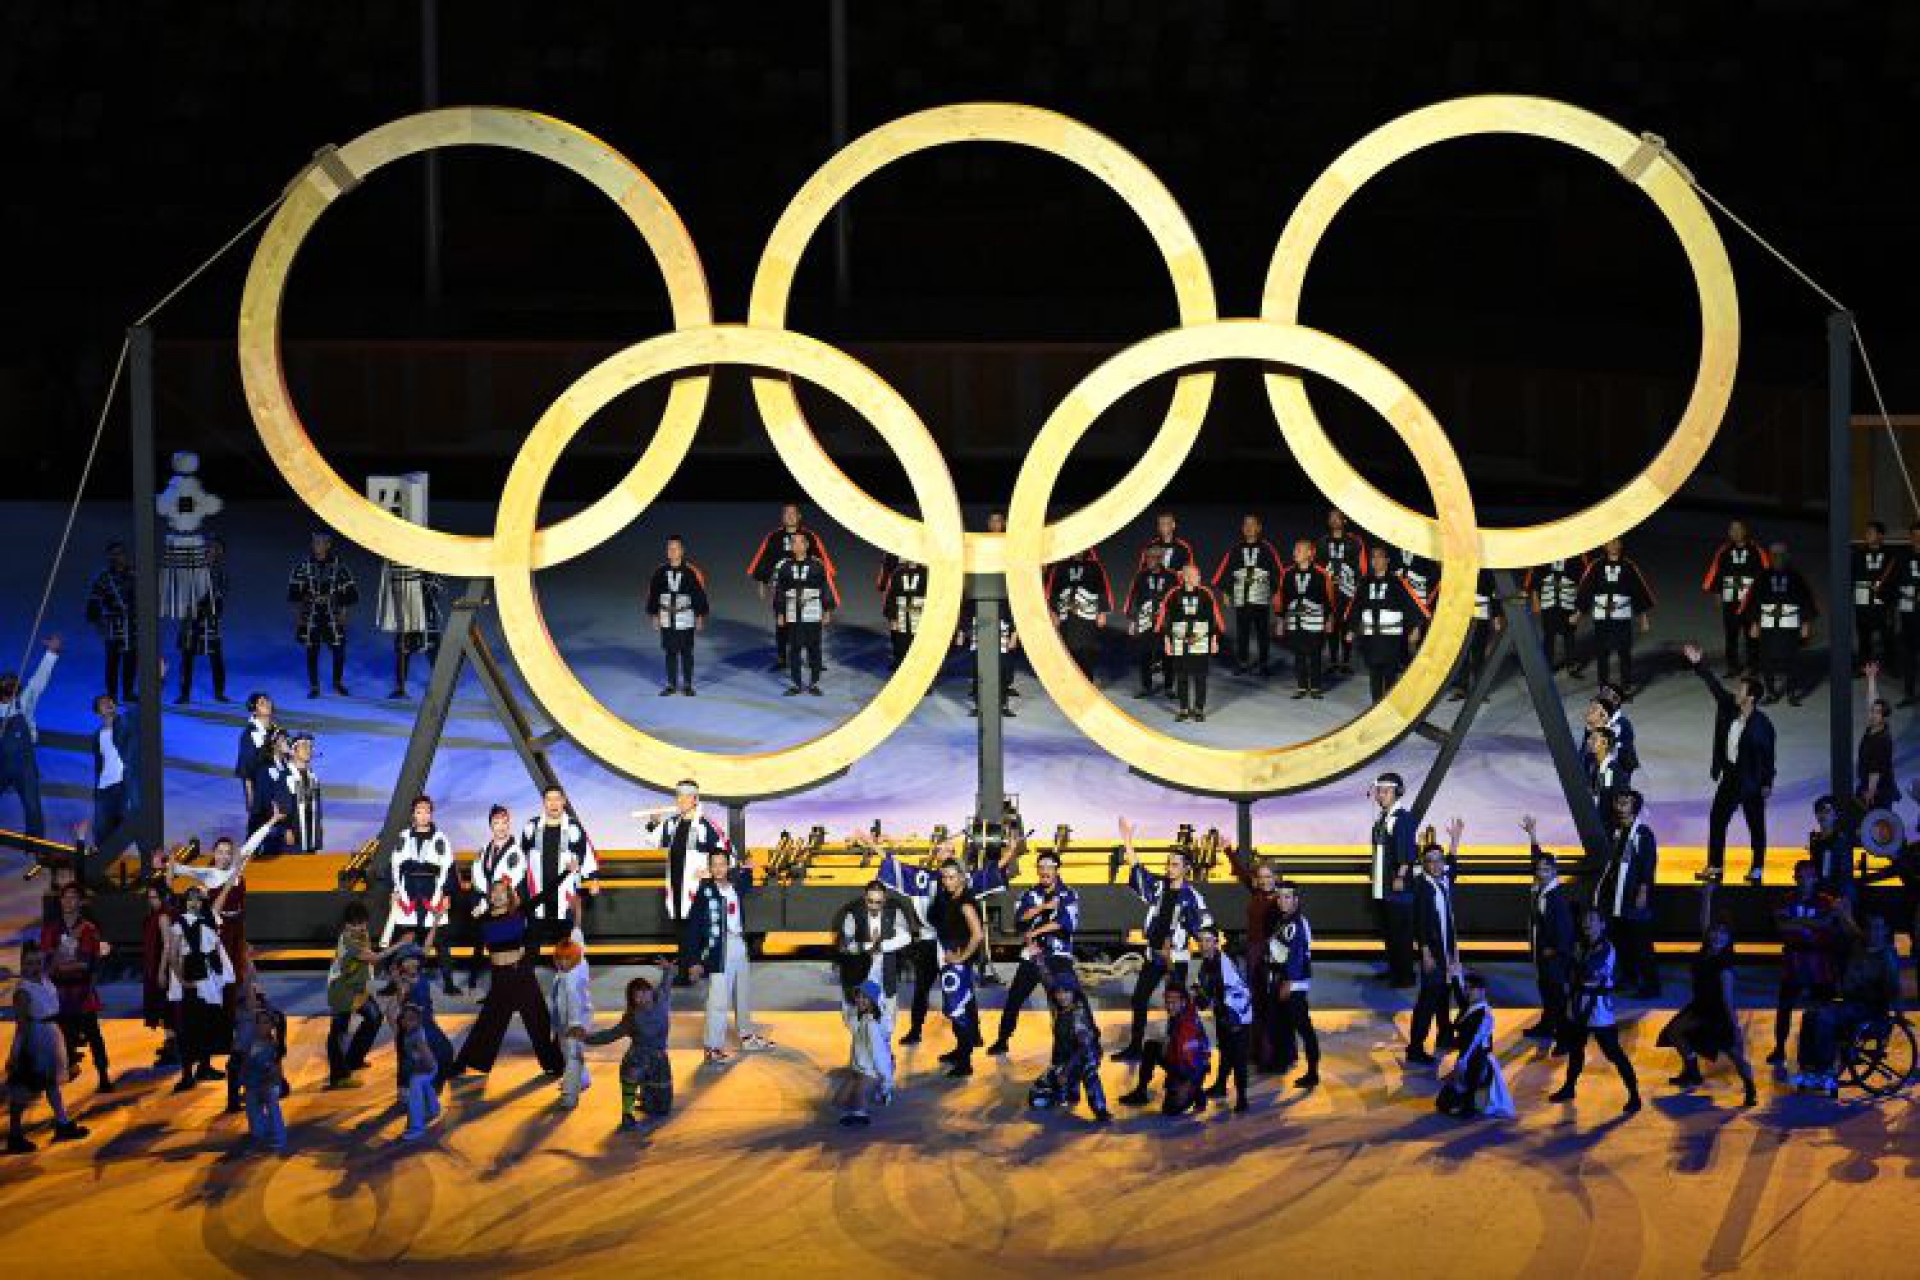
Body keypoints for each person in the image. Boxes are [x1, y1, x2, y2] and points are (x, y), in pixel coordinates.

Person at [1112, 817, 1214, 1060]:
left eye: (1176, 864)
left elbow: (1204, 928)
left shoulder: (1193, 897)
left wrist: (1209, 958)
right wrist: (1127, 842)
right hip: (1153, 956)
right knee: (1139, 999)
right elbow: (1139, 871)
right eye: (1169, 863)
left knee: (1176, 1005)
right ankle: (1135, 1046)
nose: (1170, 867)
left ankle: (1179, 1046)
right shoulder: (1159, 887)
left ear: (1186, 868)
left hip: (1175, 959)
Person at [1682, 642, 1775, 884]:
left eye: (1742, 690)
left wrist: (1767, 783)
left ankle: (1757, 868)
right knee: (1717, 819)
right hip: (1731, 775)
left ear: (1751, 697)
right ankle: (1715, 866)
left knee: (1756, 825)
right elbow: (1714, 686)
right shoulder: (1729, 708)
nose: (1737, 691)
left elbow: (1768, 757)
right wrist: (1698, 664)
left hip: (1752, 779)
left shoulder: (1762, 726)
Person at [452, 881, 566, 1078]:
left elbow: (545, 893)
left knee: (538, 1020)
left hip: (521, 975)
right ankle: (463, 1062)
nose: (497, 895)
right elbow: (477, 951)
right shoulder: (483, 919)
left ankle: (555, 1064)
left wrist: (567, 872)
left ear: (509, 895)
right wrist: (472, 981)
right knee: (487, 1021)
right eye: (493, 892)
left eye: (501, 892)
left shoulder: (519, 912)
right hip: (500, 977)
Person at [1656, 898, 1758, 1107]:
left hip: (1717, 1014)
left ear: (1729, 939)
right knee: (1674, 1032)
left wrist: (1735, 1026)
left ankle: (1750, 1088)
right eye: (1714, 931)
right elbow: (1703, 922)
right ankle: (1692, 1070)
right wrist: (1705, 897)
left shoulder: (1725, 966)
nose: (1716, 936)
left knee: (1735, 1055)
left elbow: (1727, 999)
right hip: (1699, 1007)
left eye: (1722, 933)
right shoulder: (1706, 949)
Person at [1795, 904, 1899, 1095]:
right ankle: (1808, 1067)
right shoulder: (1861, 944)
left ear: (1885, 931)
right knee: (1810, 1015)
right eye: (1869, 928)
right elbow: (1852, 929)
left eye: (1877, 928)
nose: (1872, 932)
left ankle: (1826, 1069)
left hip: (1870, 1010)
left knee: (1826, 1018)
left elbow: (1892, 992)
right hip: (1850, 1004)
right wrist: (1843, 912)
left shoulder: (1887, 957)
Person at [1549, 907, 1643, 1115]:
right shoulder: (1582, 947)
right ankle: (1569, 1087)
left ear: (1602, 924)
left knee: (1613, 1053)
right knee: (1576, 1049)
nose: (1587, 924)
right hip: (1579, 1004)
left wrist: (1566, 958)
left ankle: (1634, 1094)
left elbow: (1587, 970)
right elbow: (1571, 972)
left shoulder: (1606, 948)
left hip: (1598, 1009)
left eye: (1592, 920)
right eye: (1585, 921)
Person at [987, 849, 1080, 1055]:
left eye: (1049, 867)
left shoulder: (1068, 894)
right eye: (1041, 867)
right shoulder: (1030, 894)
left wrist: (1036, 930)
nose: (1045, 871)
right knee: (1014, 998)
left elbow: (1066, 923)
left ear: (1057, 870)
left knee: (1062, 1002)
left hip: (1058, 956)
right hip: (1033, 956)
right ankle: (1003, 1039)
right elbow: (1021, 918)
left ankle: (1067, 1044)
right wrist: (1043, 907)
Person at [682, 847, 770, 1064]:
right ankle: (713, 1047)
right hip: (719, 949)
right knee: (718, 999)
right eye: (715, 865)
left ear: (727, 866)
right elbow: (693, 928)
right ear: (709, 868)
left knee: (743, 993)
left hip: (739, 943)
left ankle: (747, 1036)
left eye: (722, 864)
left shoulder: (734, 887)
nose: (719, 868)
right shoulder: (705, 893)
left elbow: (745, 883)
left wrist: (748, 869)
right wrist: (693, 961)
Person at [6, 945, 87, 1153]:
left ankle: (62, 1123)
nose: (34, 967)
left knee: (51, 1083)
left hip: (51, 1034)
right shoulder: (23, 991)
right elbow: (21, 1026)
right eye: (29, 963)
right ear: (22, 964)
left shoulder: (45, 980)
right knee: (24, 1087)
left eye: (37, 963)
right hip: (36, 1037)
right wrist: (15, 1054)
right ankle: (14, 1136)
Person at [40, 883, 112, 1092]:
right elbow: (47, 963)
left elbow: (87, 963)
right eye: (65, 897)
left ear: (80, 902)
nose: (68, 901)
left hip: (82, 992)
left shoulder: (88, 929)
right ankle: (67, 1068)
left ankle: (103, 1075)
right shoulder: (52, 929)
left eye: (73, 897)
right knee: (63, 1036)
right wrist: (66, 962)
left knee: (93, 1035)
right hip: (60, 994)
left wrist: (63, 962)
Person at [1769, 859, 1841, 1068]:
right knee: (1784, 1008)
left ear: (1815, 879)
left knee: (1823, 1009)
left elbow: (1828, 924)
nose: (1803, 881)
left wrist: (1797, 922)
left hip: (1819, 964)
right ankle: (1780, 1048)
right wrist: (1815, 923)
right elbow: (1782, 926)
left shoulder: (1826, 901)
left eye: (1807, 876)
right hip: (1793, 962)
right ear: (1794, 878)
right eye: (1800, 876)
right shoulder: (1786, 899)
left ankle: (1826, 1051)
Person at [585, 966, 676, 1130]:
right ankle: (627, 1112)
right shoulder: (632, 1017)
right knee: (632, 1073)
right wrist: (586, 1038)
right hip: (638, 1058)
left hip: (659, 1059)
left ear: (650, 991)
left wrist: (668, 970)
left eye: (644, 992)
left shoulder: (662, 1000)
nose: (641, 998)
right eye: (636, 996)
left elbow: (666, 984)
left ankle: (647, 1096)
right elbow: (611, 1034)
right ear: (632, 999)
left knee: (663, 1108)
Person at [747, 503, 834, 675]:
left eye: (793, 513)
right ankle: (782, 658)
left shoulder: (810, 536)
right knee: (782, 623)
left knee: (811, 624)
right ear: (782, 517)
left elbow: (822, 562)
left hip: (808, 589)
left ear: (800, 516)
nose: (790, 516)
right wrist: (762, 583)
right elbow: (765, 560)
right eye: (786, 513)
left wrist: (826, 587)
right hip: (782, 587)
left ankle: (813, 658)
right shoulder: (773, 537)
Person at [169, 881, 234, 1092]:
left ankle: (204, 1067)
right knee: (190, 1028)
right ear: (185, 902)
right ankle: (187, 1074)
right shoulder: (179, 924)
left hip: (210, 978)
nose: (194, 903)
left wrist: (222, 973)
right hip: (193, 976)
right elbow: (173, 956)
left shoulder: (209, 920)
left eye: (198, 899)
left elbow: (216, 948)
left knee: (208, 1023)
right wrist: (182, 980)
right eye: (190, 899)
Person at [1594, 789, 1660, 998]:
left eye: (1624, 803)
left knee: (1641, 944)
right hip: (1618, 899)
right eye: (1618, 803)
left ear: (1634, 807)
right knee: (1622, 942)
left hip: (1634, 899)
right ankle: (1629, 978)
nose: (1619, 807)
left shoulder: (1642, 834)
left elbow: (1648, 865)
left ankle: (1651, 985)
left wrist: (1642, 891)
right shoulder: (1618, 831)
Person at [1026, 962, 1110, 1124]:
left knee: (1088, 1072)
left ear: (1073, 992)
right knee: (1037, 1096)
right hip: (1066, 1057)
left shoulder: (1078, 1016)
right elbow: (1048, 980)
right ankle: (1071, 1090)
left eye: (1066, 992)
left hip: (1085, 1056)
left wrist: (1065, 1072)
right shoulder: (1059, 1005)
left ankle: (1100, 1109)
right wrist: (1038, 960)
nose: (1061, 995)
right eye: (1058, 992)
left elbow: (1083, 1049)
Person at [1407, 823, 1463, 1065]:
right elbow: (1418, 921)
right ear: (1424, 864)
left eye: (1439, 860)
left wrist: (1455, 842)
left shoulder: (1444, 879)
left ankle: (1445, 1035)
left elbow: (1454, 867)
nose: (1437, 864)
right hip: (1432, 950)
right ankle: (1416, 1047)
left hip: (1448, 948)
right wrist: (1425, 952)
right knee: (1428, 997)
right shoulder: (1422, 885)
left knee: (1444, 993)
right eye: (1431, 860)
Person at [927, 858, 987, 1077]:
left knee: (958, 1010)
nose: (946, 881)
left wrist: (962, 958)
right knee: (959, 1008)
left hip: (956, 965)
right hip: (949, 960)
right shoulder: (948, 898)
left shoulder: (965, 903)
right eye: (944, 876)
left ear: (962, 877)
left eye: (951, 877)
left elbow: (978, 935)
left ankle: (965, 1063)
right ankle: (962, 1050)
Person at [833, 879, 916, 1036]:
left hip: (885, 968)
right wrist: (865, 948)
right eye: (870, 901)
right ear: (865, 898)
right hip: (859, 968)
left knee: (887, 1013)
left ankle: (883, 1049)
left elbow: (906, 937)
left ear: (884, 900)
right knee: (854, 1014)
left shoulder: (894, 912)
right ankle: (860, 1049)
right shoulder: (853, 913)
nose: (873, 906)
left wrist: (881, 946)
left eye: (878, 902)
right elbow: (846, 945)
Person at [1519, 819, 1576, 1046]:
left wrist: (1555, 951)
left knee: (1556, 996)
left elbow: (1565, 930)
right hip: (1542, 954)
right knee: (1546, 992)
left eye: (1546, 870)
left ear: (1554, 871)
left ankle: (1564, 1037)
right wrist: (1533, 836)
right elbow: (1537, 858)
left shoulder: (1556, 898)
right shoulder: (1541, 887)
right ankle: (1545, 1025)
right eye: (1539, 869)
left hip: (1553, 957)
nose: (1540, 873)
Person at [1226, 846, 1284, 1072]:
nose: (1264, 881)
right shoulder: (1257, 892)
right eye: (1261, 877)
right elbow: (1242, 873)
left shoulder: (1281, 899)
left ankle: (1269, 1055)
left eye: (1269, 877)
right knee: (1255, 1003)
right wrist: (1228, 851)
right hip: (1252, 953)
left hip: (1268, 955)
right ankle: (1256, 1050)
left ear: (1276, 878)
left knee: (1269, 1005)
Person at [518, 786, 599, 947]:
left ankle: (567, 971)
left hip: (565, 895)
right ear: (544, 803)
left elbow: (587, 854)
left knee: (566, 944)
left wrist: (593, 879)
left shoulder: (574, 827)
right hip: (538, 895)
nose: (553, 803)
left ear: (563, 801)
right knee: (531, 945)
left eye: (557, 799)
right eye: (549, 799)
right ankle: (529, 972)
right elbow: (521, 857)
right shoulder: (531, 827)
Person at [1740, 543, 1818, 705]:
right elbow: (1754, 600)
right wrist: (1755, 622)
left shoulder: (1796, 577)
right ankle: (1771, 692)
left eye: (1781, 555)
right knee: (1766, 659)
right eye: (1774, 555)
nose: (1777, 558)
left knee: (1792, 659)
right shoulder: (1762, 577)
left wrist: (1805, 624)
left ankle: (1791, 693)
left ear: (1787, 556)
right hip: (1768, 623)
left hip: (1789, 624)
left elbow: (1805, 600)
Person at [1350, 548, 1430, 704]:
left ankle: (1389, 706)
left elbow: (1410, 605)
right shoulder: (1364, 582)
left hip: (1391, 637)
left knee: (1390, 672)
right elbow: (1356, 607)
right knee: (1374, 671)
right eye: (1373, 557)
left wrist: (1415, 627)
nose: (1376, 561)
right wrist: (1352, 629)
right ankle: (1376, 705)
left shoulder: (1397, 582)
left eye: (1380, 557)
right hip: (1371, 636)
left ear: (1387, 560)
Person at [1575, 539, 1655, 695]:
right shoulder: (1596, 566)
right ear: (1604, 546)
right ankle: (1603, 687)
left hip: (1622, 615)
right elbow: (1586, 589)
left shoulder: (1629, 566)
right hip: (1602, 616)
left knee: (1624, 651)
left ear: (1621, 545)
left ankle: (1625, 686)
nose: (1613, 546)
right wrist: (1578, 613)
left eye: (1616, 543)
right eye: (1609, 543)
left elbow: (1638, 591)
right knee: (1602, 652)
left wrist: (1643, 618)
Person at [1116, 984, 1211, 1117]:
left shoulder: (1187, 1026)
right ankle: (1141, 1092)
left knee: (1170, 1109)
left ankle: (1196, 1093)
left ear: (1183, 1002)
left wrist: (1186, 1086)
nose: (1169, 1006)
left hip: (1189, 1070)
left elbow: (1199, 1061)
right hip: (1178, 1060)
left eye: (1173, 1002)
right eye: (1167, 1002)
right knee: (1151, 1046)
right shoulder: (1182, 1011)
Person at [325, 900, 391, 1087]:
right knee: (338, 1032)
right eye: (358, 924)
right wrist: (400, 945)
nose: (362, 927)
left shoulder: (362, 934)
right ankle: (338, 1077)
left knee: (374, 1017)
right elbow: (375, 958)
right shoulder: (347, 941)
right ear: (347, 925)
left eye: (363, 923)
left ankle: (354, 1059)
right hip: (342, 990)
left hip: (357, 988)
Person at [0, 635, 60, 839]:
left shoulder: (24, 702)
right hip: (1, 763)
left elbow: (38, 680)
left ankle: (37, 846)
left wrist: (51, 654)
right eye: (9, 685)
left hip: (24, 764)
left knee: (33, 807)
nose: (13, 687)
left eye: (14, 684)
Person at [287, 529, 359, 698]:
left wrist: (344, 613)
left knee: (339, 650)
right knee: (312, 650)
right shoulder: (304, 567)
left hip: (332, 613)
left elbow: (348, 592)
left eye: (321, 542)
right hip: (311, 613)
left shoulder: (339, 567)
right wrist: (299, 618)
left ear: (328, 544)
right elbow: (296, 594)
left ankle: (337, 683)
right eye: (315, 542)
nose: (317, 546)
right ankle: (314, 686)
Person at [647, 779, 730, 923]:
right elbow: (656, 841)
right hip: (675, 885)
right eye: (679, 795)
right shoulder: (672, 823)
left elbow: (726, 852)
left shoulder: (706, 825)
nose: (682, 800)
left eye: (687, 796)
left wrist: (712, 872)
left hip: (698, 887)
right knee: (680, 927)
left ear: (695, 799)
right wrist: (654, 822)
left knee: (696, 931)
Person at [1435, 972, 1516, 1120]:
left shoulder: (1483, 1014)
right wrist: (1454, 976)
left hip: (1477, 1057)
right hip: (1468, 1055)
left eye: (1470, 989)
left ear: (1481, 991)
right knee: (1443, 1102)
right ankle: (1465, 1102)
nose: (1467, 992)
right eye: (1466, 988)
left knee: (1469, 1087)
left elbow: (1474, 1040)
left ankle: (1469, 1107)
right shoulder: (1470, 1007)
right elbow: (1460, 996)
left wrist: (1463, 1060)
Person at [1212, 515, 1281, 677]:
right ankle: (1242, 662)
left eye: (1252, 525)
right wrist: (1225, 592)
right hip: (1242, 598)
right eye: (1246, 525)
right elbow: (1225, 571)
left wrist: (1276, 592)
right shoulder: (1235, 549)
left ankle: (1263, 663)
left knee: (1262, 632)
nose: (1249, 528)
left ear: (1259, 528)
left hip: (1261, 598)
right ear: (1242, 529)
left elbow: (1278, 571)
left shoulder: (1267, 549)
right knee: (1242, 631)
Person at [382, 795, 456, 947]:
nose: (423, 816)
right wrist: (394, 890)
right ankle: (406, 970)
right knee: (406, 941)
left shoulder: (441, 838)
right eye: (419, 812)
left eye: (426, 812)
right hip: (408, 892)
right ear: (413, 814)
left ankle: (445, 972)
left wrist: (447, 893)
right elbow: (394, 865)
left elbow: (449, 867)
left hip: (433, 893)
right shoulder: (404, 836)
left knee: (439, 941)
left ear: (431, 814)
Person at [1367, 772, 1419, 987]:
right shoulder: (1383, 818)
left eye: (1386, 791)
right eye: (1379, 790)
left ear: (1397, 793)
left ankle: (1405, 976)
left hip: (1396, 887)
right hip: (1382, 886)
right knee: (1389, 932)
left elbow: (1407, 850)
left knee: (1401, 934)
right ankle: (1395, 969)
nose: (1381, 794)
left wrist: (1400, 874)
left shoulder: (1403, 818)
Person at [1193, 927, 1252, 1112]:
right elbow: (1204, 1000)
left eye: (1209, 940)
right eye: (1201, 940)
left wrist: (1233, 1018)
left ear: (1216, 943)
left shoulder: (1223, 963)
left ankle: (1242, 1097)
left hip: (1237, 1014)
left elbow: (1236, 991)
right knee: (1225, 1050)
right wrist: (1198, 994)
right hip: (1223, 1013)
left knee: (1238, 1056)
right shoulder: (1206, 964)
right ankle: (1220, 1086)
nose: (1204, 944)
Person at [1269, 879, 1320, 1089]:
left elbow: (1297, 957)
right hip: (1285, 981)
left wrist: (1288, 983)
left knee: (1304, 1029)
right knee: (1285, 1026)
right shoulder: (1284, 920)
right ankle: (1284, 1060)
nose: (1282, 901)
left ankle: (1313, 1072)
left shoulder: (1297, 924)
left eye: (1287, 897)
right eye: (1279, 897)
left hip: (1293, 986)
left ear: (1296, 900)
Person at [1157, 562, 1224, 722]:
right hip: (1180, 641)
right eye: (1196, 575)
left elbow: (1212, 619)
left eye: (1198, 575)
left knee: (1200, 676)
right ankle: (1184, 708)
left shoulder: (1206, 594)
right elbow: (1168, 619)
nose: (1199, 578)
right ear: (1186, 578)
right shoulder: (1173, 594)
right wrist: (1167, 642)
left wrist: (1214, 640)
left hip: (1200, 640)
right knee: (1182, 676)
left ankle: (1199, 709)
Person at [1701, 520, 1768, 674]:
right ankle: (1732, 666)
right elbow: (1716, 573)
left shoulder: (1757, 551)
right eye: (1732, 529)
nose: (1734, 532)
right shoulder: (1723, 551)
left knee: (1751, 634)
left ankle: (1753, 665)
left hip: (1750, 601)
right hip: (1731, 599)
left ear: (1745, 530)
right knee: (1731, 634)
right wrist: (1717, 594)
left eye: (1738, 529)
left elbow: (1766, 574)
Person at [646, 534, 709, 696]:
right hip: (666, 617)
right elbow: (653, 594)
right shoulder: (660, 571)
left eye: (675, 548)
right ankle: (671, 684)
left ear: (682, 551)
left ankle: (687, 684)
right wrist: (654, 616)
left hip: (685, 617)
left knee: (686, 651)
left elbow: (699, 595)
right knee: (670, 651)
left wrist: (700, 616)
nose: (672, 551)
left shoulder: (691, 572)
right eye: (669, 548)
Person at [1275, 539, 1337, 700]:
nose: (1295, 553)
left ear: (1310, 553)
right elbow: (1282, 598)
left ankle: (1315, 687)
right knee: (1299, 655)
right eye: (1295, 550)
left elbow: (1329, 598)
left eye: (1299, 550)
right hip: (1295, 621)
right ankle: (1301, 686)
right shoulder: (1287, 574)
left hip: (1315, 621)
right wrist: (1280, 620)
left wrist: (1329, 619)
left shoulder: (1322, 574)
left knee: (1315, 655)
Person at [375, 558, 444, 700]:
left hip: (423, 605)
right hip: (404, 604)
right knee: (402, 646)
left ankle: (441, 686)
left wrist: (427, 590)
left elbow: (436, 579)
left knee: (431, 645)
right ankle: (400, 688)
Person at [176, 534, 229, 705]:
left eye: (217, 550)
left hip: (210, 622)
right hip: (191, 623)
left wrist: (212, 607)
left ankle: (219, 693)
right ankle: (184, 694)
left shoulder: (220, 574)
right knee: (187, 660)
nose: (213, 552)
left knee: (216, 659)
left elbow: (221, 597)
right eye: (211, 548)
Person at [84, 540, 139, 702]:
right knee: (113, 662)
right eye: (114, 554)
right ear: (109, 557)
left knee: (131, 660)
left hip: (132, 625)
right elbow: (94, 601)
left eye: (120, 553)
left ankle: (128, 693)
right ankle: (112, 694)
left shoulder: (135, 574)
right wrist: (99, 623)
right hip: (113, 626)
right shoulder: (104, 578)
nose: (118, 557)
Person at [835, 980, 895, 1127]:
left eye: (865, 997)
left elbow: (880, 1055)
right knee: (839, 1101)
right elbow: (849, 1021)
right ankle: (863, 1100)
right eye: (858, 996)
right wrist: (844, 1001)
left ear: (873, 1001)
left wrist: (886, 1080)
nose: (860, 1000)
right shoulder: (860, 1018)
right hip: (859, 1069)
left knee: (858, 1101)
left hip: (874, 1071)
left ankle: (866, 1107)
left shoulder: (873, 1025)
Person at [1318, 509, 1369, 677]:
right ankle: (1332, 661)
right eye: (1330, 518)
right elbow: (1318, 566)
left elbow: (1361, 568)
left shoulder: (1355, 542)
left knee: (1347, 627)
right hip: (1329, 591)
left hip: (1348, 591)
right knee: (1332, 626)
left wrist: (1359, 589)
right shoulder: (1322, 541)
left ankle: (1346, 661)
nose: (1333, 521)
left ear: (1344, 520)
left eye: (1337, 518)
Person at [1048, 548, 1112, 680]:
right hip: (1067, 616)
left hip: (1087, 617)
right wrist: (1053, 612)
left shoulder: (1094, 566)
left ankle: (1087, 682)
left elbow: (1102, 589)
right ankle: (1069, 682)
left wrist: (1102, 612)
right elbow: (1053, 590)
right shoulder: (1060, 566)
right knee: (1067, 650)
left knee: (1086, 650)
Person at [88, 693, 138, 859]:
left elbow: (142, 708)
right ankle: (101, 865)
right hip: (104, 788)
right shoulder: (97, 736)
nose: (109, 703)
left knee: (126, 825)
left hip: (123, 784)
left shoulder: (125, 723)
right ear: (97, 713)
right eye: (103, 703)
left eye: (110, 701)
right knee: (101, 830)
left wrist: (159, 680)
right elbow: (99, 763)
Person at [956, 593, 1019, 719]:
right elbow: (965, 615)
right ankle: (980, 706)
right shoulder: (974, 593)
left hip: (1000, 635)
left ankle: (1002, 705)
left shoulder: (1004, 594)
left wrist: (1014, 636)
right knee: (980, 673)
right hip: (979, 634)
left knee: (1000, 672)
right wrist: (961, 634)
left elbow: (1015, 615)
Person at [1128, 547, 1180, 695]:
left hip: (1165, 620)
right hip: (1145, 619)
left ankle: (1169, 686)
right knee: (1144, 653)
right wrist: (1133, 620)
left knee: (1167, 654)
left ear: (1160, 559)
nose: (1148, 560)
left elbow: (1177, 598)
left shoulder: (1172, 576)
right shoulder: (1141, 575)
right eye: (1147, 557)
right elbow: (1134, 597)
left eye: (1152, 558)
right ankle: (1146, 686)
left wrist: (1176, 620)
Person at [550, 935, 594, 1110]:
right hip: (565, 1023)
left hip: (574, 1024)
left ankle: (570, 1093)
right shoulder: (565, 974)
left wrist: (575, 1025)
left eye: (567, 958)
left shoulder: (571, 979)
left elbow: (574, 1003)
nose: (563, 962)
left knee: (572, 1054)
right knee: (568, 1053)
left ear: (575, 959)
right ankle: (581, 1079)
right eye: (559, 958)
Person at [1524, 554, 1588, 672]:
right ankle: (1547, 665)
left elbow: (1585, 579)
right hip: (1549, 599)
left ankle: (1571, 664)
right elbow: (1534, 576)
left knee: (1569, 633)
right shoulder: (1543, 553)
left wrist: (1580, 605)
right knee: (1549, 634)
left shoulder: (1577, 554)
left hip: (1568, 598)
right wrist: (1534, 597)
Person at [266, 731, 324, 854]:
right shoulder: (285, 777)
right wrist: (285, 829)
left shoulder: (313, 777)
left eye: (310, 746)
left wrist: (318, 827)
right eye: (304, 746)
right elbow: (280, 808)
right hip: (292, 838)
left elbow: (315, 807)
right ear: (293, 751)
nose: (308, 749)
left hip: (310, 837)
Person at [1449, 572, 1505, 700]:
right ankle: (1460, 688)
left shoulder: (1487, 572)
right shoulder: (1461, 568)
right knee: (1461, 653)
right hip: (1461, 613)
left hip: (1481, 614)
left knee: (1478, 652)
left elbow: (1494, 594)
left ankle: (1479, 690)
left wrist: (1496, 617)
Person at [240, 1004, 287, 1152]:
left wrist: (269, 1080)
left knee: (272, 1103)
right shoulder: (249, 1043)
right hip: (253, 1085)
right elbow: (244, 1068)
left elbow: (276, 1074)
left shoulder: (274, 1045)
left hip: (268, 1085)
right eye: (258, 1023)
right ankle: (263, 1129)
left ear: (272, 1026)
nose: (261, 1026)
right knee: (257, 1131)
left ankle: (280, 1138)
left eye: (265, 1023)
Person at [1883, 520, 1920, 705]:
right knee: (1909, 654)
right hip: (1908, 613)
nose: (1917, 540)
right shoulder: (1901, 557)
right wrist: (1894, 601)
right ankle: (1909, 692)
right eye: (1914, 536)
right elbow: (1887, 582)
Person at [140, 883, 177, 1067]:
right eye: (149, 897)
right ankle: (170, 1044)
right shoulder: (155, 916)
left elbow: (168, 946)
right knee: (163, 1008)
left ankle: (173, 1046)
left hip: (161, 968)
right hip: (154, 967)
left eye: (154, 897)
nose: (151, 900)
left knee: (166, 1008)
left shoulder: (163, 916)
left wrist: (162, 971)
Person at [396, 1004, 443, 1142]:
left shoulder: (417, 1036)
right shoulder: (411, 1031)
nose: (406, 1022)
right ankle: (434, 1108)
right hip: (425, 1068)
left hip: (424, 1069)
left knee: (415, 1097)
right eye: (405, 1019)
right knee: (426, 1086)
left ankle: (417, 1128)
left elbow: (426, 1054)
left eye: (411, 1019)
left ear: (417, 1021)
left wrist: (429, 1069)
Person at [233, 692, 277, 830]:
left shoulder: (276, 730)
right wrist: (251, 800)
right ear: (254, 709)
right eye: (262, 703)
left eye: (268, 701)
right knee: (258, 834)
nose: (268, 704)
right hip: (261, 794)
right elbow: (246, 770)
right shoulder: (249, 735)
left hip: (278, 790)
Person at [1858, 664, 1896, 813]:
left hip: (1878, 789)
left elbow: (1876, 769)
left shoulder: (1882, 740)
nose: (1872, 714)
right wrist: (1871, 678)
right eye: (1872, 711)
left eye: (1877, 713)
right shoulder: (1873, 728)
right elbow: (1872, 700)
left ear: (1884, 717)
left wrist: (1871, 791)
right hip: (1869, 783)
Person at [881, 558, 927, 671]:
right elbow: (891, 595)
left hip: (919, 613)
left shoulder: (926, 573)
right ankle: (899, 663)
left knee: (918, 643)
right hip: (901, 613)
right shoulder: (898, 572)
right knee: (900, 642)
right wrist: (892, 617)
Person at [1808, 795, 1855, 903]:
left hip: (1840, 896)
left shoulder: (1840, 840)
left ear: (1835, 815)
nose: (1822, 814)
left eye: (1827, 811)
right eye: (1819, 811)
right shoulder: (1815, 841)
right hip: (1821, 892)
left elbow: (1845, 873)